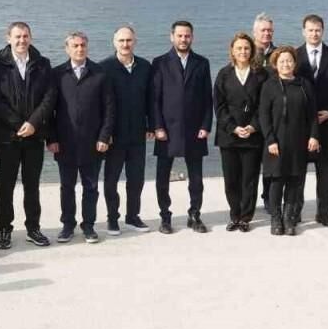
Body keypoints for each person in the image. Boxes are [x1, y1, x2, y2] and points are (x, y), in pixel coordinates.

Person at [0, 21, 58, 249]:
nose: (21, 40)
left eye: (25, 36)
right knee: (5, 187)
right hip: (8, 137)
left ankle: (33, 229)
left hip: (34, 136)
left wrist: (33, 123)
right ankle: (4, 230)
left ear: (31, 38)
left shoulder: (43, 64)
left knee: (32, 186)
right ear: (8, 38)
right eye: (17, 36)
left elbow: (49, 97)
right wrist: (19, 124)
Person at [48, 32, 116, 244]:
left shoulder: (100, 73)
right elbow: (49, 110)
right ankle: (68, 225)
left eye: (83, 45)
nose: (79, 49)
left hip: (93, 142)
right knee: (67, 187)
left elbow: (109, 109)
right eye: (75, 45)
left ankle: (88, 226)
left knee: (91, 187)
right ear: (67, 48)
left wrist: (104, 136)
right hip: (64, 142)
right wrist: (51, 139)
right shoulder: (57, 74)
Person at [150, 20, 213, 234]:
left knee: (196, 179)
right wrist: (157, 126)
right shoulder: (159, 62)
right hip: (166, 130)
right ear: (172, 37)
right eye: (180, 35)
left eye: (187, 36)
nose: (183, 39)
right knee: (162, 178)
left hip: (195, 130)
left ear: (192, 37)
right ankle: (165, 217)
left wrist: (206, 125)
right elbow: (154, 99)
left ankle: (194, 215)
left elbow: (207, 98)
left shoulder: (202, 63)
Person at [98, 24, 154, 235]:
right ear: (114, 43)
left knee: (136, 179)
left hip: (138, 134)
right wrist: (104, 134)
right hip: (114, 135)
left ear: (135, 42)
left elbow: (151, 99)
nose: (125, 44)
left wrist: (151, 125)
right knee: (111, 180)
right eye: (121, 40)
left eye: (129, 40)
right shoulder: (104, 67)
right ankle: (112, 219)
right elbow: (100, 104)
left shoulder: (145, 66)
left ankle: (133, 217)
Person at [259, 47, 320, 236]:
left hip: (299, 141)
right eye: (282, 61)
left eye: (289, 60)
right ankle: (276, 219)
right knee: (277, 182)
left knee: (294, 182)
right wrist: (270, 140)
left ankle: (288, 218)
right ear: (275, 64)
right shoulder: (269, 86)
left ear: (295, 63)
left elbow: (312, 114)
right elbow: (263, 116)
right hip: (276, 142)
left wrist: (314, 136)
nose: (286, 64)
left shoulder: (304, 84)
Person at [293, 14, 328, 227]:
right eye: (310, 30)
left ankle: (323, 214)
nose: (314, 34)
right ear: (303, 31)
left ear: (323, 31)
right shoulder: (294, 56)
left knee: (325, 175)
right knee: (298, 174)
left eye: (318, 30)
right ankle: (295, 213)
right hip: (301, 125)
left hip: (327, 122)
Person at [213, 32, 267, 232]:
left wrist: (253, 126)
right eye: (239, 48)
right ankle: (234, 215)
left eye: (246, 48)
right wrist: (233, 128)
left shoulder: (261, 74)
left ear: (251, 51)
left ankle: (245, 217)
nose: (243, 51)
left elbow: (264, 105)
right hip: (229, 135)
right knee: (231, 180)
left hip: (253, 135)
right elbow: (219, 106)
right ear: (232, 51)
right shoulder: (223, 74)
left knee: (249, 179)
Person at [251, 12, 278, 213]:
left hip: (272, 117)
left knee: (271, 162)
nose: (266, 33)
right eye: (263, 30)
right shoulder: (246, 52)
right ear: (255, 32)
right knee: (251, 164)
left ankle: (269, 197)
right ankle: (248, 201)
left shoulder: (279, 54)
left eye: (269, 30)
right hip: (250, 117)